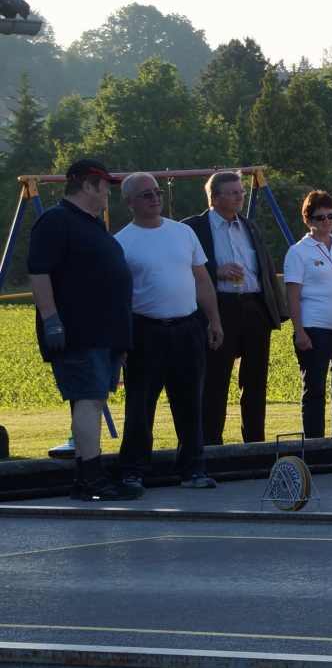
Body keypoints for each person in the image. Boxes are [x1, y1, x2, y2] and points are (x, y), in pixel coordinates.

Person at [26, 158, 140, 502]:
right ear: (87, 185)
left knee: (91, 401)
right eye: (105, 186)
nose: (108, 193)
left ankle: (83, 479)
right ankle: (95, 479)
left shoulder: (91, 224)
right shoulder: (57, 220)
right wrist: (52, 321)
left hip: (104, 334)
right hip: (80, 332)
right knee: (89, 401)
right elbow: (39, 271)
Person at [115, 172, 225, 491]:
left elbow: (202, 280)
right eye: (146, 194)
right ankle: (133, 470)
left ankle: (193, 469)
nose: (155, 198)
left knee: (190, 403)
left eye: (158, 192)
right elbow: (116, 297)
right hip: (144, 331)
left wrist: (214, 320)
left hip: (187, 328)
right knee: (140, 406)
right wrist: (121, 341)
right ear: (129, 202)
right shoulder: (121, 242)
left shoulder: (183, 232)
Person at [183, 170, 289, 445]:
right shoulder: (192, 229)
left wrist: (274, 310)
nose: (240, 196)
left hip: (254, 309)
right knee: (214, 382)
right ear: (214, 198)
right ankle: (211, 448)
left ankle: (255, 446)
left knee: (255, 383)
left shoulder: (249, 226)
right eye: (233, 192)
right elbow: (178, 269)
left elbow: (265, 268)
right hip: (217, 310)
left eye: (241, 191)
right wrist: (215, 271)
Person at [283, 190, 332, 438]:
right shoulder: (299, 252)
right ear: (308, 220)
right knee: (315, 390)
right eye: (320, 217)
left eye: (330, 216)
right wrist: (299, 332)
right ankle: (315, 446)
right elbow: (292, 296)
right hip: (315, 326)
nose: (326, 221)